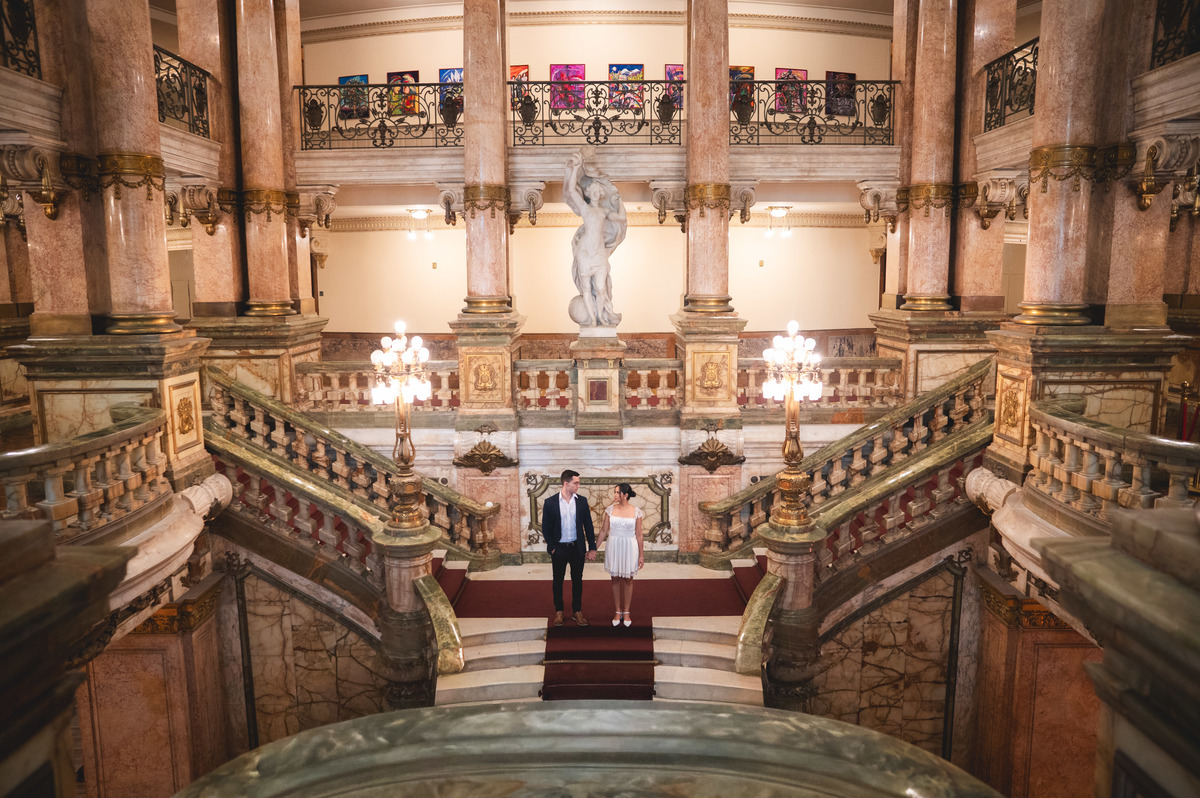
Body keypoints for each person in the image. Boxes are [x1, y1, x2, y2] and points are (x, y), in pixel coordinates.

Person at [563, 150, 627, 328]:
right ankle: (591, 321)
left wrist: (619, 200)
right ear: (589, 193)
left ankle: (602, 318)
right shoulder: (585, 208)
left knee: (600, 288)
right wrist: (575, 169)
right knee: (585, 289)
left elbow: (621, 219)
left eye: (599, 191)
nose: (597, 194)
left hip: (599, 254)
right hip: (585, 252)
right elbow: (570, 190)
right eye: (594, 191)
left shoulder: (605, 211)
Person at [541, 469, 597, 626]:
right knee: (557, 580)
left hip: (577, 548)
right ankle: (559, 611)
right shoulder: (550, 502)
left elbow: (589, 526)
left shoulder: (582, 501)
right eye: (576, 483)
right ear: (566, 483)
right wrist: (552, 547)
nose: (578, 485)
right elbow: (546, 527)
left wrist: (592, 548)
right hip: (558, 549)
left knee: (577, 580)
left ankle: (577, 611)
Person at [596, 483, 645, 627]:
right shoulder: (609, 510)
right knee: (615, 578)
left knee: (628, 579)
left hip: (630, 546)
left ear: (626, 495)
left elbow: (639, 534)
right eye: (615, 492)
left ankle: (627, 611)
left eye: (617, 492)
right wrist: (594, 548)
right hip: (614, 546)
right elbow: (604, 531)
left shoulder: (637, 512)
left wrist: (641, 555)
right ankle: (618, 610)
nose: (615, 495)